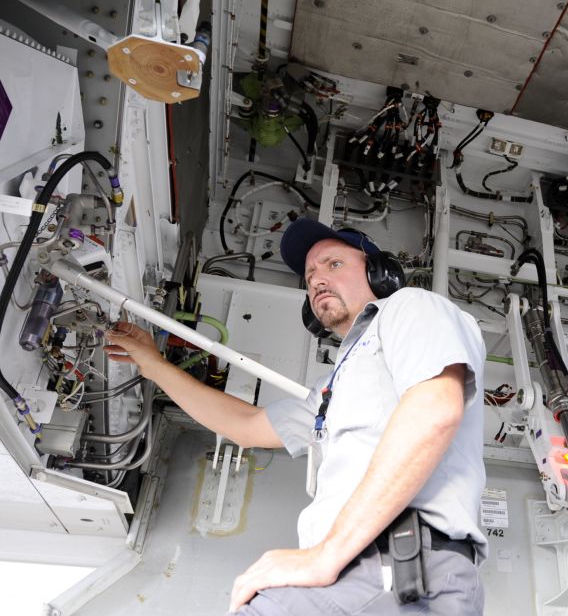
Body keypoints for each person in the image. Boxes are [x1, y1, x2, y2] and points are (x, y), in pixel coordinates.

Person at [103, 219, 488, 614]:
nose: (318, 279)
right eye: (310, 275)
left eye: (333, 264)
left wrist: (326, 555)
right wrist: (152, 365)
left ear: (379, 272)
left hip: (398, 565)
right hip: (356, 569)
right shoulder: (335, 385)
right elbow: (246, 427)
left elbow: (435, 411)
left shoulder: (411, 307)